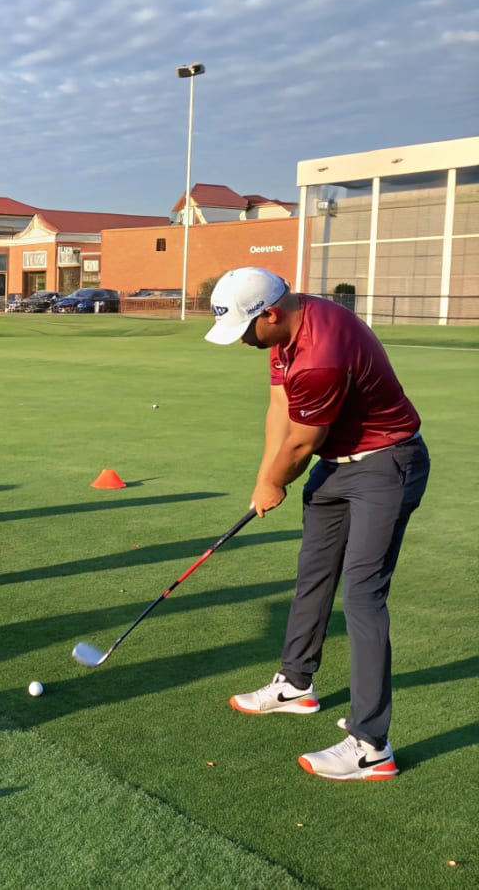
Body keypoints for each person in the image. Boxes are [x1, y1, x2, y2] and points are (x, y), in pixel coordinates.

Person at [205, 267, 430, 782]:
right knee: (314, 572)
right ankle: (295, 683)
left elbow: (304, 442)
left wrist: (277, 481)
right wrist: (265, 478)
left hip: (386, 465)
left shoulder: (321, 353)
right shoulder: (286, 337)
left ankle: (372, 745)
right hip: (338, 466)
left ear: (270, 314)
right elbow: (280, 409)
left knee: (363, 595)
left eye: (245, 330)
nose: (242, 341)